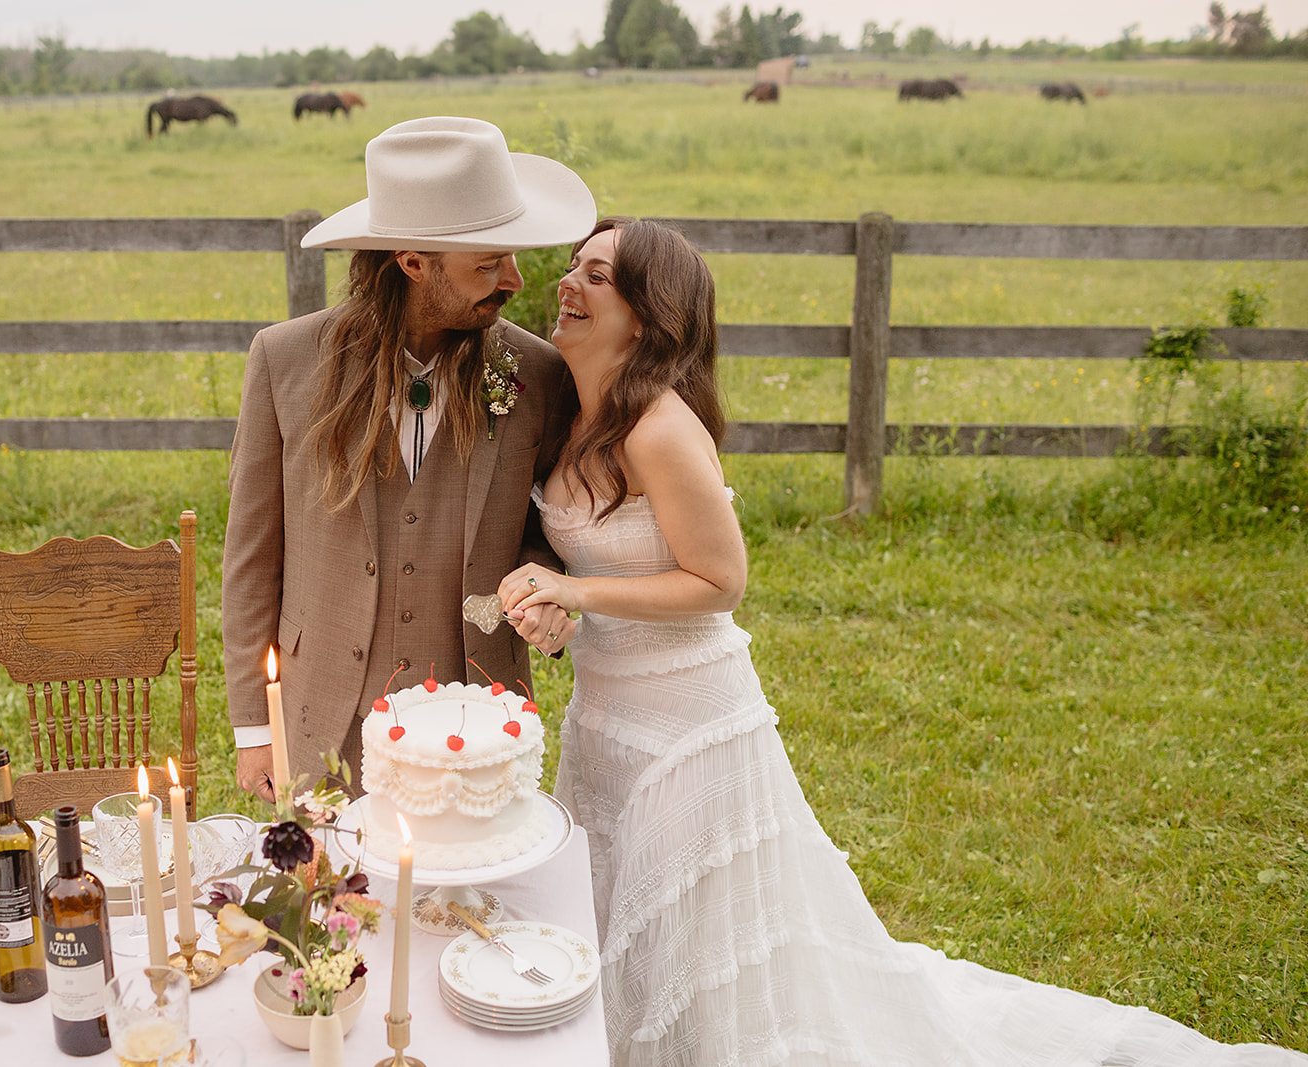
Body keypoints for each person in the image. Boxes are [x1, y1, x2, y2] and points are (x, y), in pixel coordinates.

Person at [499, 217, 1307, 1067]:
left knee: (693, 920)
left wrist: (577, 591)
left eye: (597, 275)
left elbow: (719, 581)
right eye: (576, 268)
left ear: (648, 315)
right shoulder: (569, 413)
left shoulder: (660, 429)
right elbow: (568, 537)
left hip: (687, 722)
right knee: (621, 903)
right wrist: (545, 585)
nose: (568, 285)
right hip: (607, 711)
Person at [223, 116, 595, 803]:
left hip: (479, 715)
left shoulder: (538, 373)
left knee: (475, 898)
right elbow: (251, 552)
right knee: (335, 902)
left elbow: (550, 524)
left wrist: (547, 585)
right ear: (413, 262)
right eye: (488, 263)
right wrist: (254, 726)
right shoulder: (285, 361)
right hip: (321, 712)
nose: (513, 279)